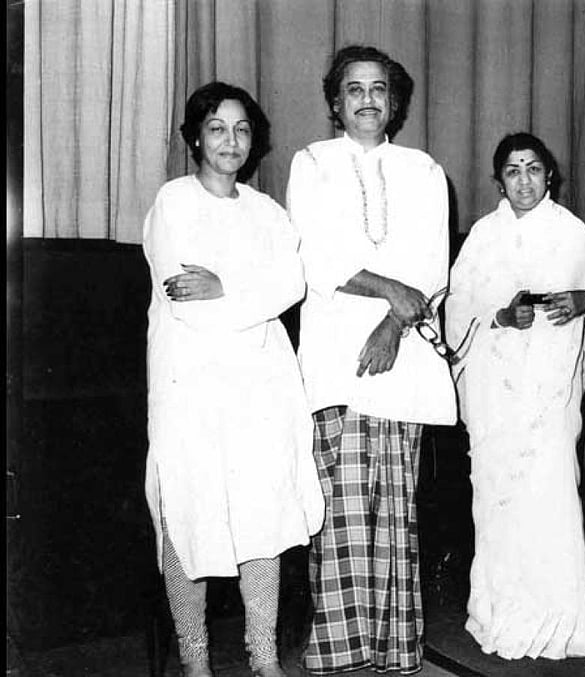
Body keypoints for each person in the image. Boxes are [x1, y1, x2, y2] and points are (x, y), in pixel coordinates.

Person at [142, 81, 324, 677]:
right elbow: (187, 300)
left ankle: (262, 651)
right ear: (195, 136)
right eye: (217, 128)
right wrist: (248, 292)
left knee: (260, 517)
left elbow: (291, 285)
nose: (231, 140)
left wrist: (226, 285)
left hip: (261, 388)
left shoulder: (268, 212)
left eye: (242, 129)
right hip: (191, 387)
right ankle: (195, 658)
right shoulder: (173, 203)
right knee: (189, 520)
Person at [285, 45, 457, 675]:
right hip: (337, 363)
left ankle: (395, 650)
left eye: (379, 89)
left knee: (395, 512)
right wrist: (390, 293)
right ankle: (337, 651)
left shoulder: (424, 170)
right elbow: (317, 257)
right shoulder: (312, 164)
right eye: (353, 89)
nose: (367, 100)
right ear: (336, 101)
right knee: (342, 513)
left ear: (395, 101)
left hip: (402, 358)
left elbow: (430, 268)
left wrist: (393, 322)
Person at [445, 132, 585, 661]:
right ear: (499, 181)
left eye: (533, 168)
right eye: (513, 171)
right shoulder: (482, 238)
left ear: (550, 176)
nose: (524, 179)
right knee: (497, 506)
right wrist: (498, 315)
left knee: (553, 501)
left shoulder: (571, 232)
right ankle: (499, 616)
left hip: (549, 398)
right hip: (496, 398)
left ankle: (561, 623)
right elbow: (454, 311)